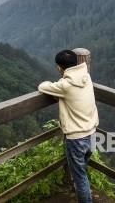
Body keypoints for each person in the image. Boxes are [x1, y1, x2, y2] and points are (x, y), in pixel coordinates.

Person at [38, 50, 99, 203]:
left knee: (80, 179)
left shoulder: (64, 86)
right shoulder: (87, 76)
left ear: (59, 68)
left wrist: (57, 88)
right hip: (92, 134)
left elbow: (43, 86)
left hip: (76, 139)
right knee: (81, 172)